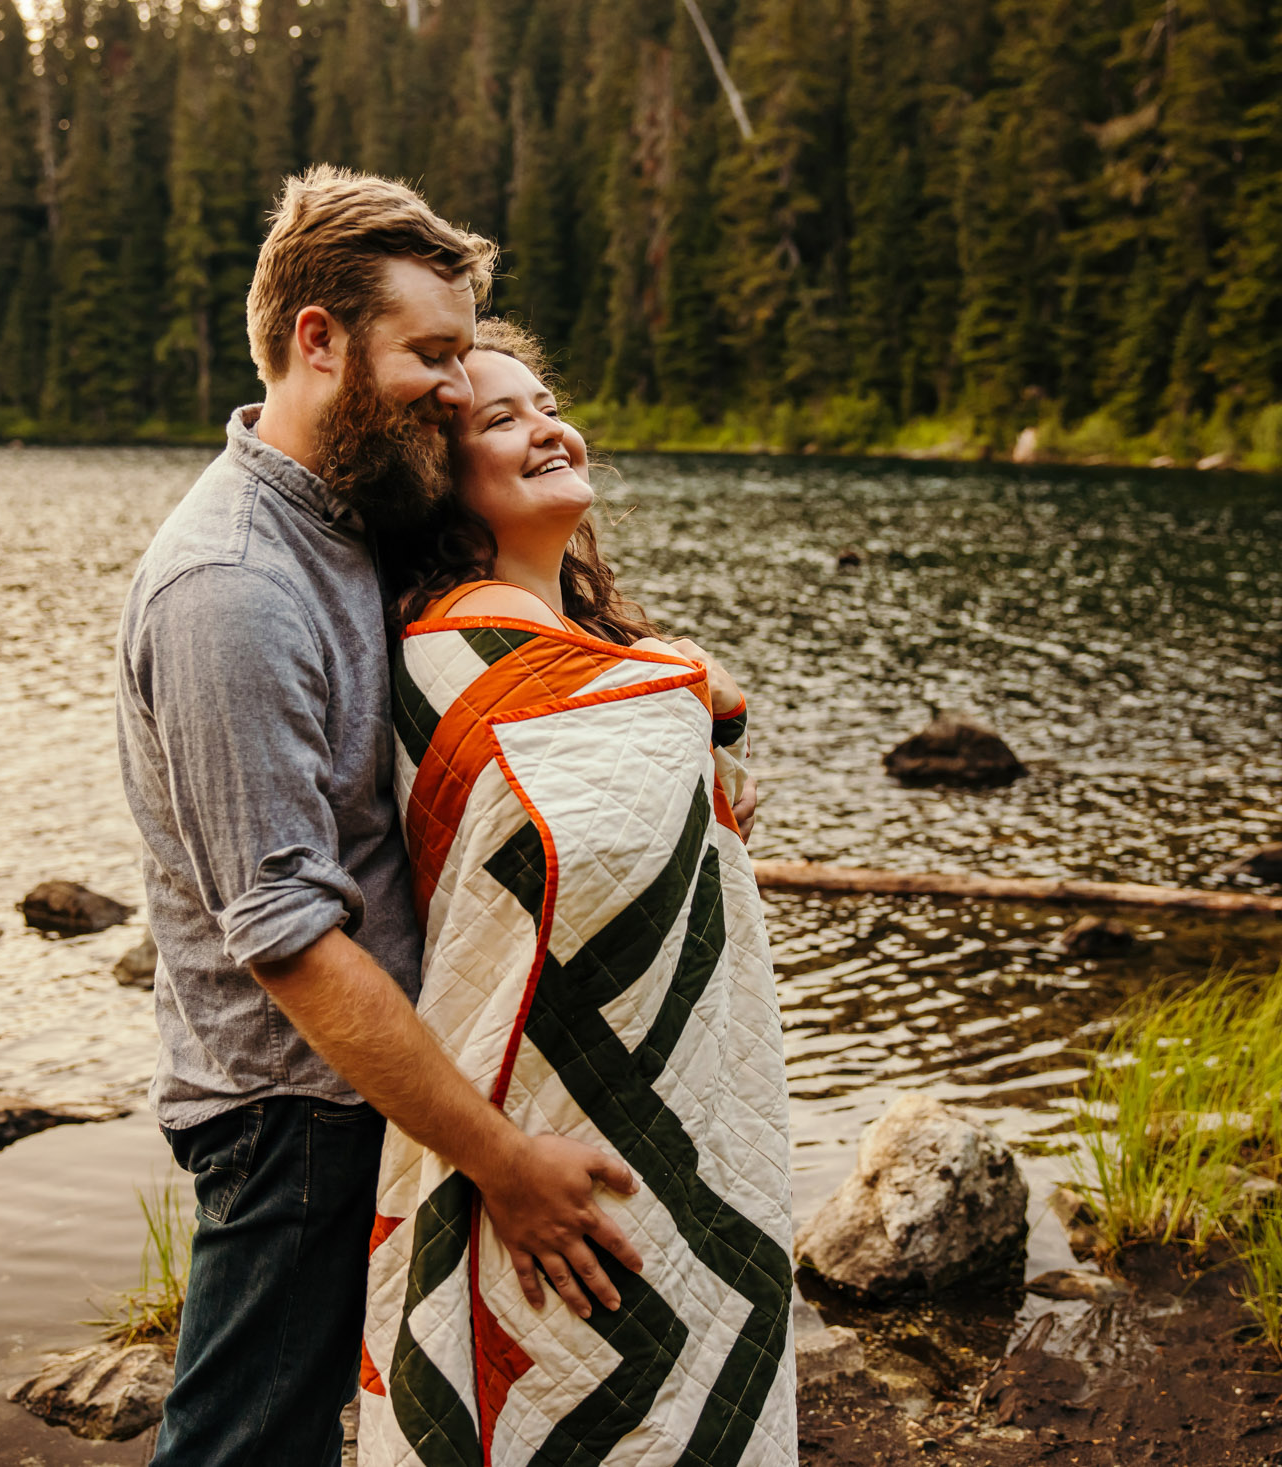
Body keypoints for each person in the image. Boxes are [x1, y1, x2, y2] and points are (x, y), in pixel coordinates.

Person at [114, 169, 758, 1465]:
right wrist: (506, 1161)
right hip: (297, 1109)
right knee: (246, 1443)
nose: (457, 389)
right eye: (434, 354)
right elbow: (289, 936)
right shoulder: (230, 587)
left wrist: (685, 692)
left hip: (404, 1080)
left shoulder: (354, 502)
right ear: (318, 338)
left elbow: (528, 626)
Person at [358, 320, 796, 1466]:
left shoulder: (599, 655)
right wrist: (689, 684)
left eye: (545, 401)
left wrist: (676, 693)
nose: (549, 426)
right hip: (534, 1130)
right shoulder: (450, 653)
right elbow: (608, 801)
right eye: (501, 419)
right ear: (441, 482)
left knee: (697, 1384)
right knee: (560, 1400)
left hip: (676, 1112)